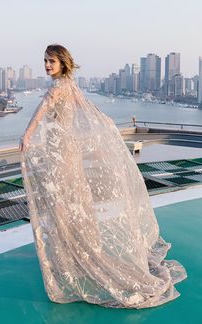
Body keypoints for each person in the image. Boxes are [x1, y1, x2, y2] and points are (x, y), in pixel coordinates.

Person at [20, 44, 187, 308]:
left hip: (60, 154)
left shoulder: (57, 88)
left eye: (51, 61)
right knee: (74, 203)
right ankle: (79, 251)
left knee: (62, 205)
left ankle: (72, 257)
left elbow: (40, 114)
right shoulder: (70, 85)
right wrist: (108, 126)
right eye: (45, 61)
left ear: (62, 62)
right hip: (69, 152)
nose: (47, 65)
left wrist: (27, 136)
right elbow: (89, 110)